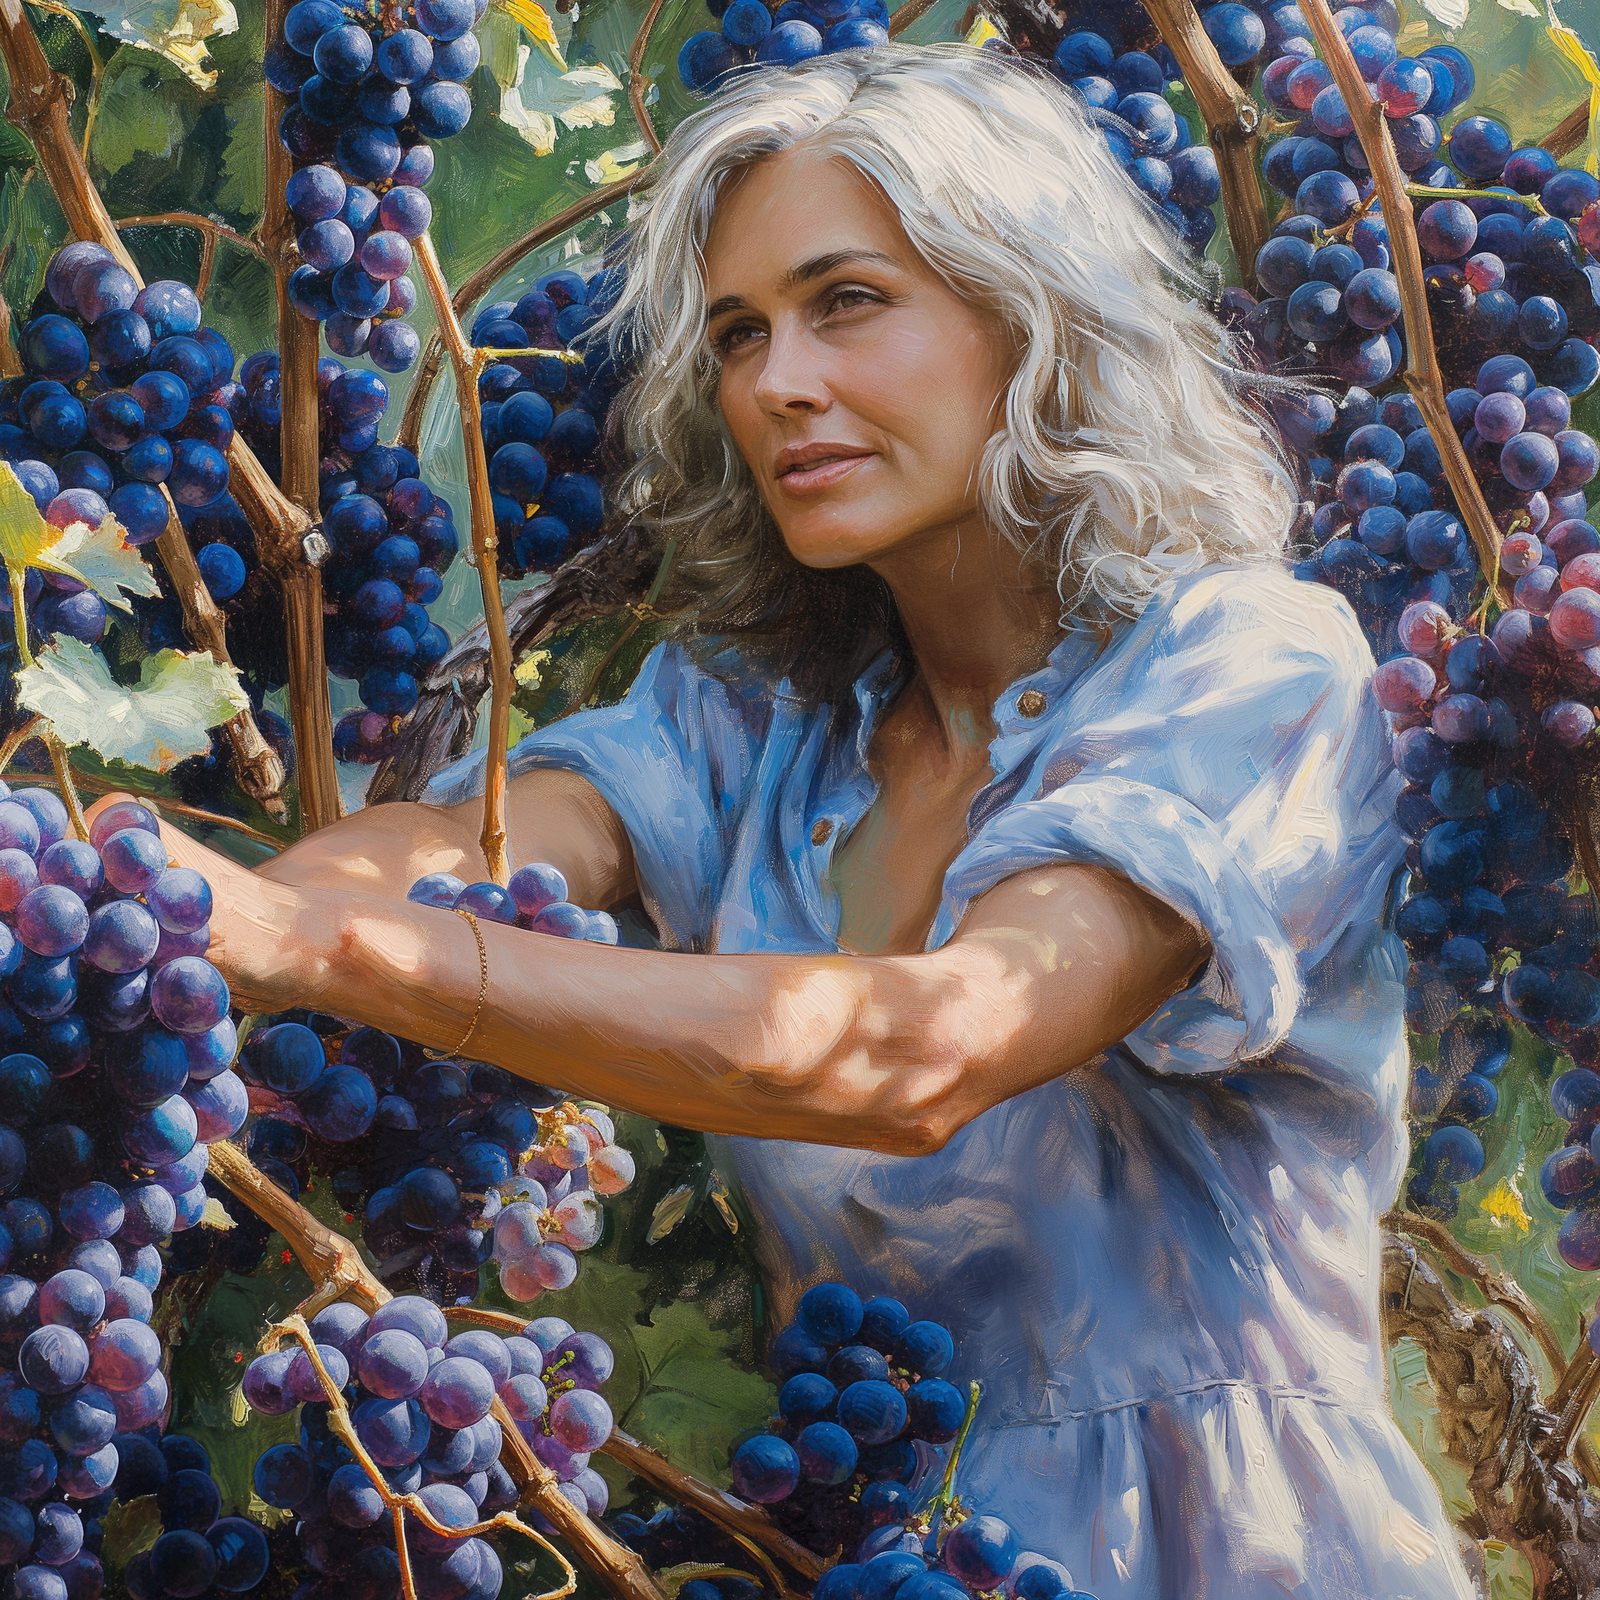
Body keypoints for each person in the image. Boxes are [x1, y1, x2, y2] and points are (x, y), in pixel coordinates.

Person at [112, 43, 1475, 1600]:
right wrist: (206, 902)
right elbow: (473, 847)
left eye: (849, 302)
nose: (776, 384)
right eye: (740, 333)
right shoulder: (761, 720)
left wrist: (331, 951)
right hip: (883, 1561)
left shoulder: (1250, 669)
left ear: (1031, 318)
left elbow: (925, 1053)